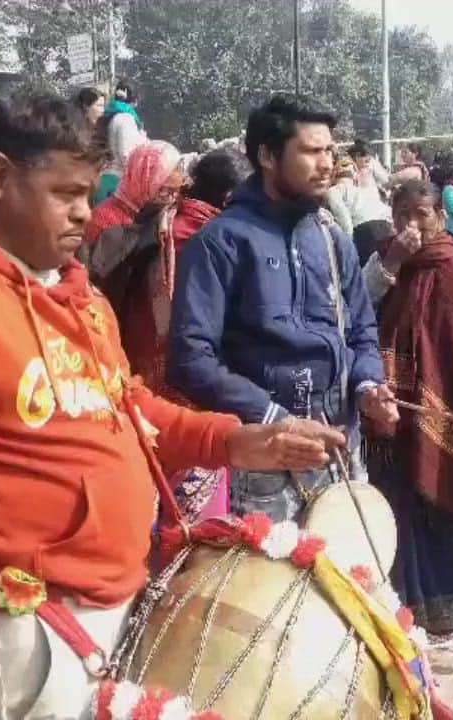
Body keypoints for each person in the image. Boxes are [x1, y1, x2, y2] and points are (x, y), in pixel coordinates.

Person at [0, 91, 344, 719]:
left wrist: (237, 440)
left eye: (88, 193)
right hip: (26, 634)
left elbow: (129, 408)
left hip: (120, 609)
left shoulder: (79, 298)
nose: (87, 213)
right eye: (66, 194)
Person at [168, 94, 399, 522]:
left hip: (339, 449)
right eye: (312, 151)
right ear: (268, 156)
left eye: (331, 150)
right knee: (272, 583)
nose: (328, 163)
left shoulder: (332, 239)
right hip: (264, 463)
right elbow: (190, 358)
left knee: (346, 582)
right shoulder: (221, 242)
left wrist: (368, 386)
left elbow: (363, 330)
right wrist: (273, 416)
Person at [369, 180, 453, 646]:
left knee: (437, 510)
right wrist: (390, 264)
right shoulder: (390, 263)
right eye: (403, 213)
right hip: (391, 421)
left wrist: (446, 406)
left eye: (422, 213)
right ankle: (402, 610)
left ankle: (443, 614)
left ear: (440, 217)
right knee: (397, 515)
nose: (412, 224)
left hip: (440, 421)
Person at [102, 149, 251, 522]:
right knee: (198, 532)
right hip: (196, 395)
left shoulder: (158, 222)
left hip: (141, 381)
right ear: (232, 198)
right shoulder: (218, 238)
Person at [82, 139, 182, 279]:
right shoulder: (103, 220)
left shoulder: (163, 217)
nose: (171, 198)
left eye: (176, 190)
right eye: (164, 190)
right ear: (142, 178)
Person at [325, 154, 393, 264]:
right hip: (386, 228)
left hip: (365, 233)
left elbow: (344, 219)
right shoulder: (364, 192)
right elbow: (387, 210)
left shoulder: (334, 191)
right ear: (355, 177)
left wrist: (349, 248)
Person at [93, 80, 146, 206]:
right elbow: (125, 154)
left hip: (104, 180)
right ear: (134, 101)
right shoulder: (125, 119)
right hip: (117, 184)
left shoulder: (108, 116)